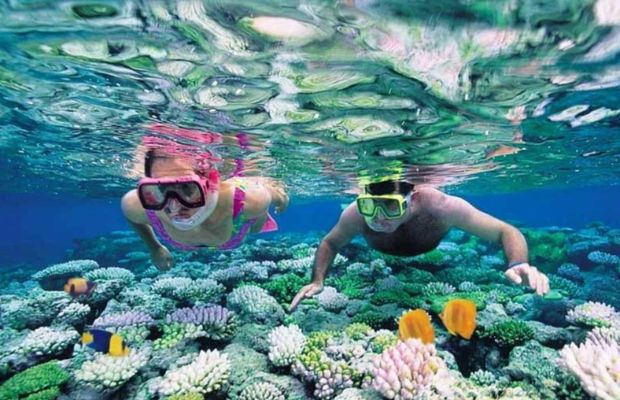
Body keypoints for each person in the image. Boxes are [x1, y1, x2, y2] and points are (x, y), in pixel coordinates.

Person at [289, 180, 550, 311]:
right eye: (370, 206)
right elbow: (330, 242)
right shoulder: (355, 214)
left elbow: (506, 231)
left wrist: (518, 263)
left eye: (391, 206)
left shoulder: (441, 207)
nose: (379, 217)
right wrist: (317, 280)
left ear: (411, 200)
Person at [121, 140, 288, 270]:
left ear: (210, 183)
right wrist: (154, 247)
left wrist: (281, 199)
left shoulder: (250, 199)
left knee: (257, 222)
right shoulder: (138, 204)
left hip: (242, 220)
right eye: (160, 189)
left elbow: (277, 195)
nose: (175, 206)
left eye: (186, 188)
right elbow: (134, 220)